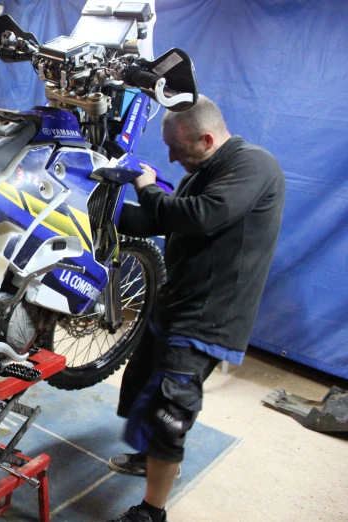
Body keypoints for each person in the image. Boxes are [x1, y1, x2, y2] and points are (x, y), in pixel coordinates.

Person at [106, 95, 285, 522]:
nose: (170, 157)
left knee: (171, 410)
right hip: (176, 301)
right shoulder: (203, 169)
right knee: (140, 386)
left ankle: (152, 511)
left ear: (206, 139)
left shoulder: (253, 166)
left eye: (177, 149)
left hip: (209, 318)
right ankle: (150, 456)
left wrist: (146, 186)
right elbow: (161, 220)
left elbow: (200, 217)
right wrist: (101, 211)